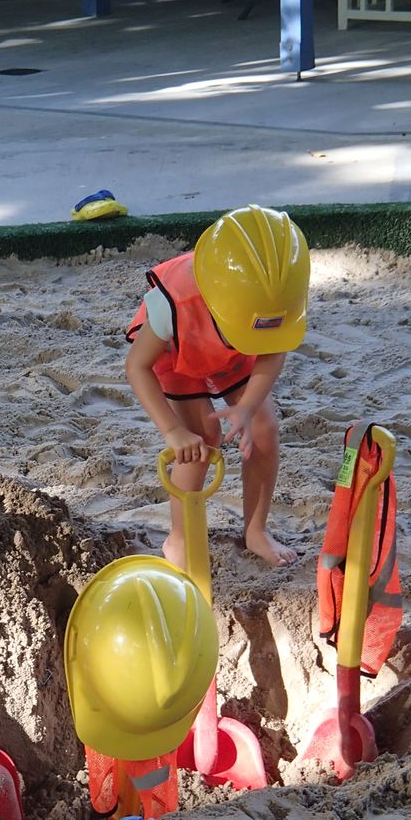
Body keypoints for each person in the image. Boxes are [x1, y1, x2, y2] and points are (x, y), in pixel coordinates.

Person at [125, 204, 310, 568]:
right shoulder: (173, 304)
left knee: (264, 429)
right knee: (200, 443)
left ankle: (256, 531)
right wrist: (173, 431)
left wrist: (247, 407)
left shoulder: (278, 294)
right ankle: (179, 539)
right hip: (182, 352)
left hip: (236, 351)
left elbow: (273, 351)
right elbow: (137, 367)